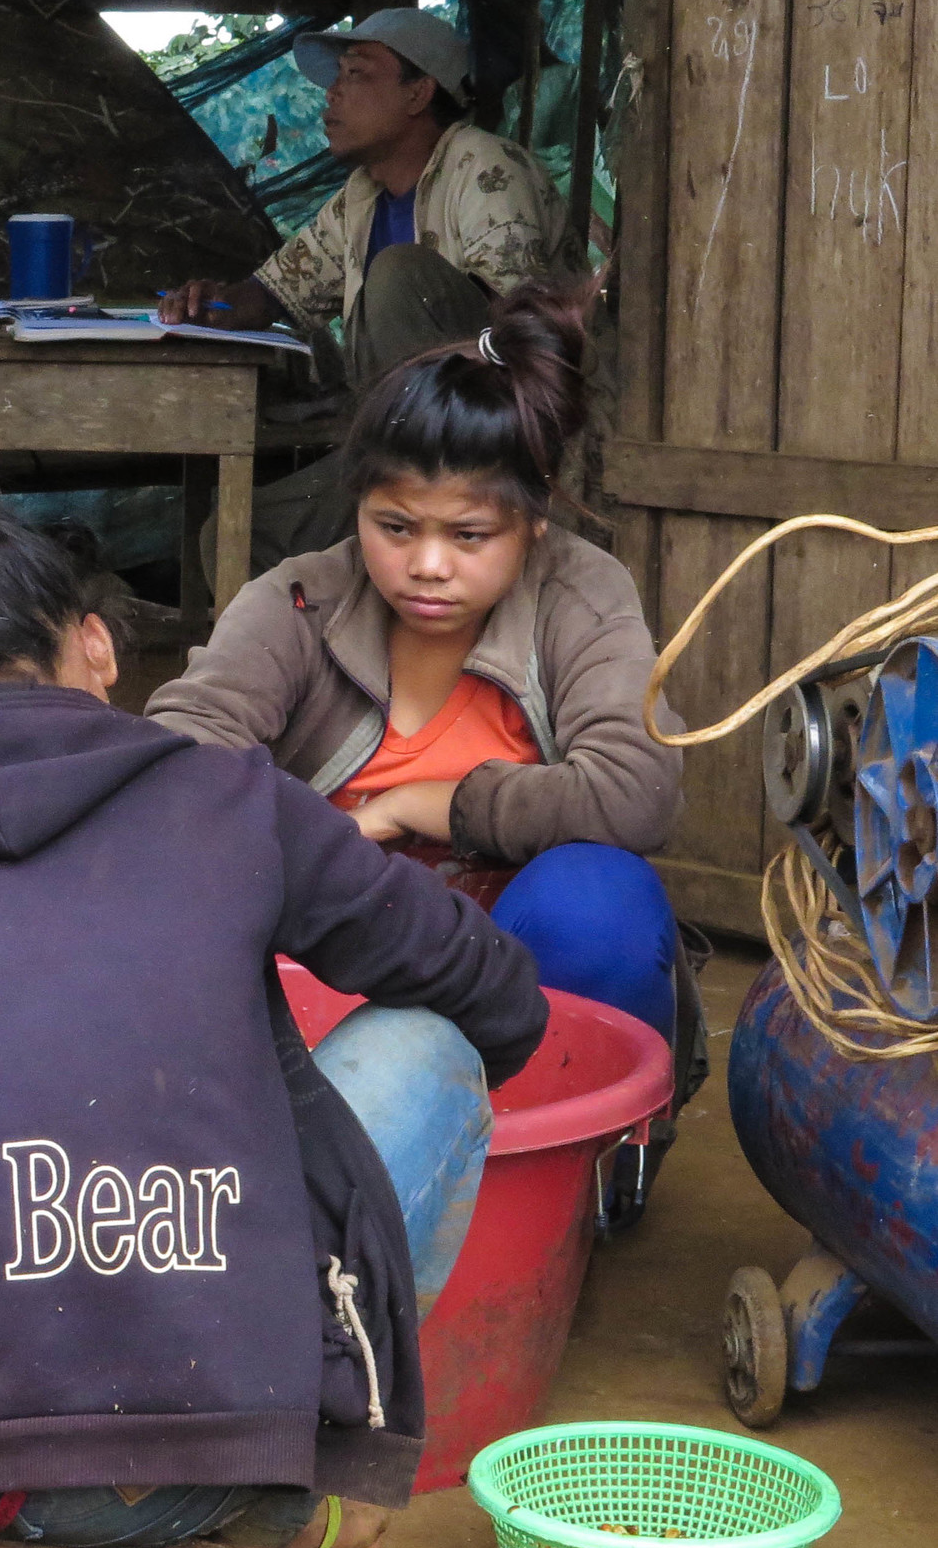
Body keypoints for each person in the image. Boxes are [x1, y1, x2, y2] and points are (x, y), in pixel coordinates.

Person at [0, 427, 547, 1548]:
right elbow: (481, 981)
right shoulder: (227, 799)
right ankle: (333, 1490)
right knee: (428, 1049)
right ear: (97, 646)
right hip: (187, 1482)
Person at [145, 283, 683, 1055]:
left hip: (521, 957)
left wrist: (420, 804)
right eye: (394, 526)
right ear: (357, 503)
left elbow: (638, 791)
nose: (427, 566)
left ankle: (573, 1153)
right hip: (334, 947)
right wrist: (317, 851)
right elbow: (177, 761)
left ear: (533, 522)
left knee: (597, 906)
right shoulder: (298, 601)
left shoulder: (579, 593)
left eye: (469, 535)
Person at [160, 10, 567, 568]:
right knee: (234, 540)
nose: (333, 94)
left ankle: (427, 499)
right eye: (337, 77)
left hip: (491, 445)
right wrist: (210, 305)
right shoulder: (361, 196)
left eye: (357, 74)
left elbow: (520, 328)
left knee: (401, 273)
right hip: (390, 454)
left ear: (419, 92)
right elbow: (274, 292)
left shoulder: (484, 166)